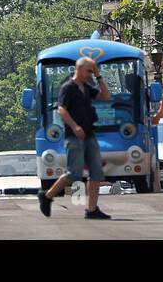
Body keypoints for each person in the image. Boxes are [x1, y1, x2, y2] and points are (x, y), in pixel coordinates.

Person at [39, 57, 111, 220]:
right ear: (79, 69)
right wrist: (74, 126)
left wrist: (99, 76)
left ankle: (91, 209)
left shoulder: (86, 87)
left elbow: (106, 96)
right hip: (74, 137)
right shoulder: (68, 88)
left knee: (96, 173)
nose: (90, 75)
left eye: (92, 72)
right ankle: (47, 196)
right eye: (89, 71)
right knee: (73, 174)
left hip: (89, 135)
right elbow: (61, 109)